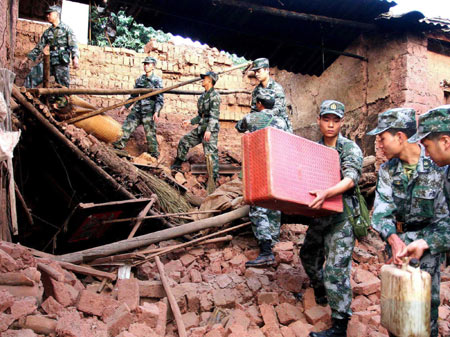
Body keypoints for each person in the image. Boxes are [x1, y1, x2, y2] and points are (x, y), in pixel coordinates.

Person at [367, 107, 449, 337]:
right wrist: (393, 239)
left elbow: (445, 219)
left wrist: (426, 243)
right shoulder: (387, 170)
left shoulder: (438, 166)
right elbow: (381, 211)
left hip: (428, 246)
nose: (379, 144)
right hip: (398, 245)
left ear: (400, 137)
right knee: (397, 306)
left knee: (425, 309)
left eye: (382, 138)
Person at [300, 100, 363, 337]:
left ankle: (339, 326)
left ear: (341, 123)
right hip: (319, 214)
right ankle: (322, 292)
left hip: (342, 217)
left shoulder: (349, 148)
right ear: (319, 120)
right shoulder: (314, 149)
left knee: (336, 270)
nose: (330, 125)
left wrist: (329, 191)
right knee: (308, 255)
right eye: (326, 119)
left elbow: (352, 178)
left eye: (336, 121)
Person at [235, 91, 288, 267]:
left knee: (258, 205)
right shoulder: (282, 121)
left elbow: (239, 127)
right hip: (279, 167)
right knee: (275, 204)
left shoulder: (251, 117)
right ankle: (273, 241)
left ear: (259, 104)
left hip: (260, 167)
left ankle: (266, 252)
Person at [398, 105, 450, 260]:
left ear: (445, 142)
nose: (426, 153)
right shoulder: (447, 173)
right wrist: (425, 242)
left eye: (427, 146)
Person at [171, 71, 221, 181]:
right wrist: (190, 121)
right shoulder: (203, 97)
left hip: (210, 130)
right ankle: (178, 164)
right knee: (184, 141)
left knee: (210, 155)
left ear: (210, 80)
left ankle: (214, 179)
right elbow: (201, 116)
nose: (202, 80)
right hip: (201, 128)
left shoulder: (215, 97)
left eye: (204, 78)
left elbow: (214, 116)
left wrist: (209, 130)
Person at [113, 56, 164, 158]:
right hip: (137, 110)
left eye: (148, 64)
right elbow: (134, 95)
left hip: (149, 112)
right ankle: (117, 148)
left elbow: (160, 99)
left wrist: (156, 112)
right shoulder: (140, 79)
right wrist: (125, 107)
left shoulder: (157, 80)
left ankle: (154, 156)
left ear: (153, 66)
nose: (145, 66)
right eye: (144, 64)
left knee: (150, 134)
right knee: (126, 127)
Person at [19, 5, 79, 88]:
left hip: (61, 60)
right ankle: (25, 95)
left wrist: (75, 58)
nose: (47, 16)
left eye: (49, 14)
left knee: (63, 86)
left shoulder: (66, 29)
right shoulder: (47, 32)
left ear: (56, 14)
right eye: (47, 14)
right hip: (49, 60)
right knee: (33, 76)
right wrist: (26, 58)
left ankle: (62, 100)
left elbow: (73, 44)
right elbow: (39, 47)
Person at [250, 58, 293, 132]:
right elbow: (254, 111)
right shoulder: (256, 91)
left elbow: (278, 110)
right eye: (255, 72)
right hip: (262, 125)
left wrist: (262, 114)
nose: (256, 74)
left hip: (279, 125)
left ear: (267, 70)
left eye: (258, 71)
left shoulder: (277, 88)